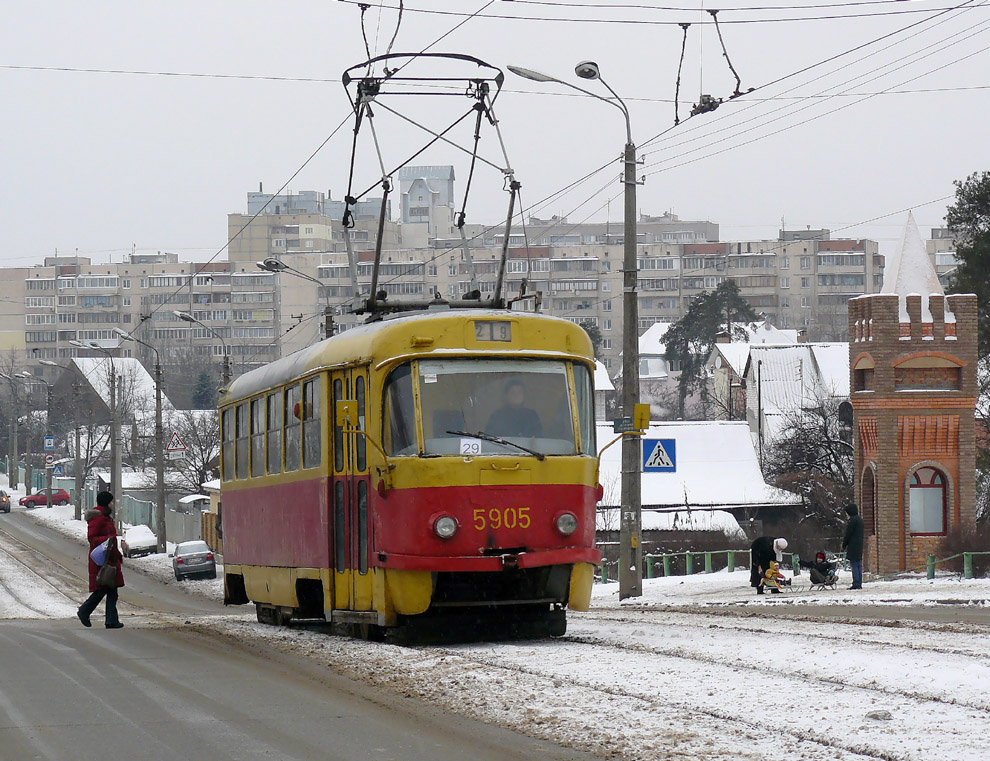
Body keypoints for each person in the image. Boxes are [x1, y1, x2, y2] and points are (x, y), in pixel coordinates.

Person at [77, 491, 124, 629]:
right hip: (101, 560)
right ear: (106, 503)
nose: (113, 504)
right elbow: (92, 538)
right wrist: (109, 539)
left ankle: (111, 620)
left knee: (111, 590)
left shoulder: (106, 517)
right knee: (102, 590)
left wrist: (117, 554)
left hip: (110, 558)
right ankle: (84, 611)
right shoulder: (98, 518)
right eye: (111, 502)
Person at [842, 502, 865, 590]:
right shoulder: (860, 520)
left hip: (853, 545)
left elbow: (848, 534)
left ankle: (856, 583)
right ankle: (859, 582)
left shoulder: (852, 521)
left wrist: (844, 544)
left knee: (854, 564)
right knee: (858, 564)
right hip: (859, 545)